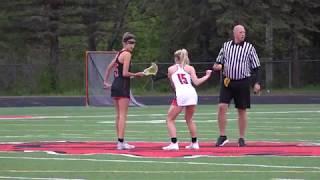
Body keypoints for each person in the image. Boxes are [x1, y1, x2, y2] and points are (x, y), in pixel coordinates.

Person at [213, 24, 261, 147]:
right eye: (240, 32)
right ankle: (223, 136)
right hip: (227, 81)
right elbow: (217, 63)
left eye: (244, 32)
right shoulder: (226, 46)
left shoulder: (249, 48)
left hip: (243, 81)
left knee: (242, 110)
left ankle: (241, 137)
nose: (243, 34)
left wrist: (257, 83)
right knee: (222, 107)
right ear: (235, 33)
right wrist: (218, 66)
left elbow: (256, 67)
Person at [162, 49, 212, 150]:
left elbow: (173, 85)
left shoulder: (171, 69)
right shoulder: (190, 68)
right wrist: (207, 76)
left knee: (169, 119)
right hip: (192, 93)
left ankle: (174, 143)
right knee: (189, 119)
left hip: (181, 94)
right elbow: (197, 82)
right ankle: (195, 143)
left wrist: (170, 78)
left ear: (176, 58)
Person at [103, 32, 145, 150]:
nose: (132, 45)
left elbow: (109, 68)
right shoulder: (126, 54)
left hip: (116, 85)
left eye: (134, 43)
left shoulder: (119, 53)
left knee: (118, 116)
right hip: (122, 86)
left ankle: (120, 141)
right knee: (122, 116)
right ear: (125, 43)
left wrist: (105, 82)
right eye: (130, 43)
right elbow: (125, 73)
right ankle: (121, 143)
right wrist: (136, 74)